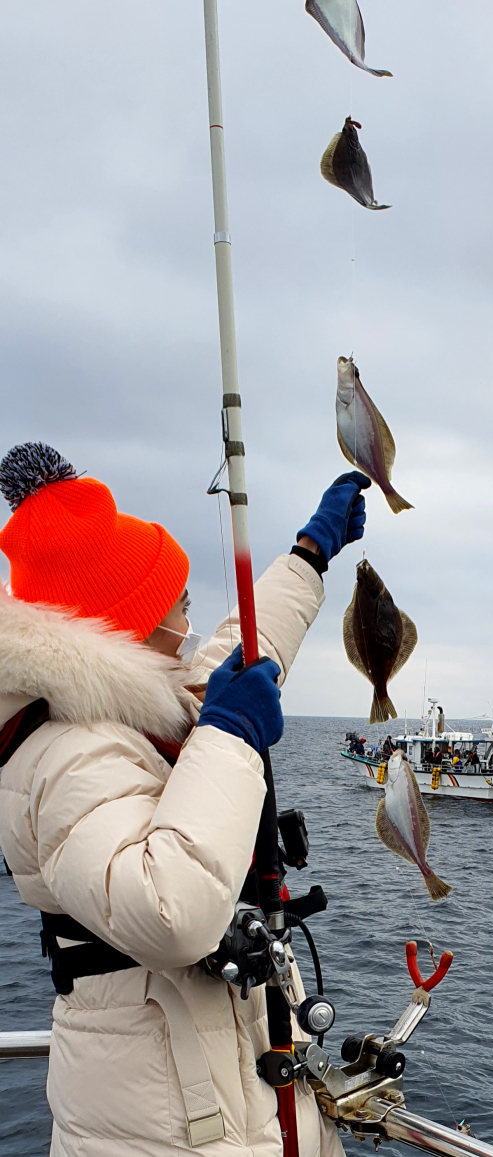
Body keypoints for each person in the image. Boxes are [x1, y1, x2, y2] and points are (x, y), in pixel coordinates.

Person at [0, 443, 371, 1157]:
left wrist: (308, 555)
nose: (190, 624)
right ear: (133, 622)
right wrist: (231, 735)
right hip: (158, 1124)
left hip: (216, 1091)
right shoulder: (62, 755)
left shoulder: (126, 709)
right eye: (181, 605)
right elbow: (173, 914)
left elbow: (239, 650)